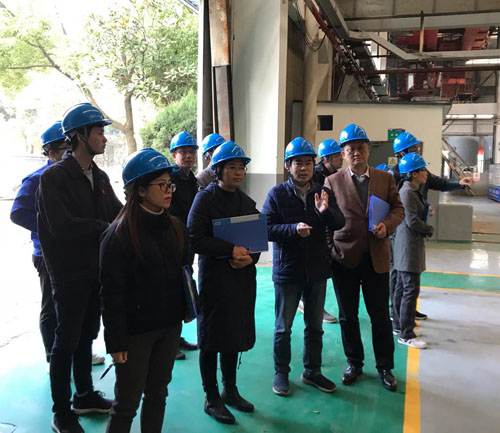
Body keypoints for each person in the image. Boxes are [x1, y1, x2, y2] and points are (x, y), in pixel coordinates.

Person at [37, 103, 122, 433]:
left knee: (87, 335)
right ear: (79, 136)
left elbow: (117, 212)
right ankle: (62, 412)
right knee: (66, 341)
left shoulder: (98, 176)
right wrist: (104, 228)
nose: (104, 137)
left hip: (95, 272)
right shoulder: (54, 177)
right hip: (68, 275)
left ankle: (84, 395)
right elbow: (61, 226)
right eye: (99, 131)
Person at [100, 148, 192, 432]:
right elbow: (111, 294)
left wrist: (184, 311)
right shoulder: (119, 235)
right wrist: (116, 342)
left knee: (158, 394)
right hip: (135, 334)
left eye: (170, 184)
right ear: (140, 190)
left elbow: (183, 272)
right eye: (161, 185)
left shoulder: (175, 227)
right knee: (127, 403)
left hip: (169, 327)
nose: (169, 191)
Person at [10, 121, 105, 370]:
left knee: (79, 312)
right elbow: (17, 213)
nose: (69, 153)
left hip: (78, 253)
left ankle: (78, 354)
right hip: (47, 253)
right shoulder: (40, 179)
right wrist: (47, 229)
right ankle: (54, 356)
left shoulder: (83, 176)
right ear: (51, 153)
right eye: (65, 149)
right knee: (52, 308)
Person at [323, 123, 404, 392]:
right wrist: (331, 250)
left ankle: (385, 367)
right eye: (351, 149)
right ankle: (354, 363)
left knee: (379, 315)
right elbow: (325, 219)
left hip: (376, 258)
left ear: (368, 150)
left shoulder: (385, 179)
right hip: (343, 258)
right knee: (347, 315)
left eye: (360, 148)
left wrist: (387, 226)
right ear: (343, 154)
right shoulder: (332, 181)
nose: (356, 153)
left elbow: (398, 209)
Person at [262, 137, 345, 398]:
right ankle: (281, 373)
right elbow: (265, 229)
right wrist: (293, 230)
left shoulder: (323, 192)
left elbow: (339, 222)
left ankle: (312, 371)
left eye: (308, 162)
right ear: (288, 165)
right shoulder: (277, 194)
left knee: (315, 326)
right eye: (298, 163)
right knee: (283, 327)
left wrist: (325, 212)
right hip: (288, 271)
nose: (304, 168)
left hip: (317, 270)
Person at [187, 141, 260, 425]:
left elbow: (256, 241)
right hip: (215, 282)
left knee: (233, 335)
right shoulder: (204, 200)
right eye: (232, 167)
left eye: (241, 167)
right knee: (210, 339)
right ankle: (211, 397)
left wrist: (249, 258)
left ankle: (230, 390)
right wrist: (229, 251)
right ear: (218, 170)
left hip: (241, 280)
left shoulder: (246, 202)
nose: (238, 172)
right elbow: (195, 238)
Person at [389, 131, 473, 320]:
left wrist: (458, 183)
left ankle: (408, 309)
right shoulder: (393, 175)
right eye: (413, 148)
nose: (418, 150)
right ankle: (395, 311)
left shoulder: (418, 170)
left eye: (417, 147)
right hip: (400, 229)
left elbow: (438, 182)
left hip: (414, 228)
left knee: (411, 274)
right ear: (402, 152)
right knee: (398, 272)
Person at [297, 138, 344, 324]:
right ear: (326, 158)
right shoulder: (317, 177)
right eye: (337, 156)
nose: (341, 158)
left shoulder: (333, 175)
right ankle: (310, 305)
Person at [393, 153, 433, 349]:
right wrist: (429, 228)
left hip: (408, 245)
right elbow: (413, 221)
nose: (426, 173)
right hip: (408, 247)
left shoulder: (412, 190)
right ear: (413, 173)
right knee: (410, 289)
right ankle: (406, 333)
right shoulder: (407, 192)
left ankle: (399, 325)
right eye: (423, 170)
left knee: (402, 288)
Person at [169, 130, 200, 359]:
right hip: (172, 241)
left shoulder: (192, 180)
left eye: (191, 152)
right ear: (174, 155)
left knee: (183, 287)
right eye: (183, 152)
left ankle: (177, 338)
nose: (188, 156)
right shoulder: (169, 179)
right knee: (170, 288)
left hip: (187, 243)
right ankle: (170, 344)